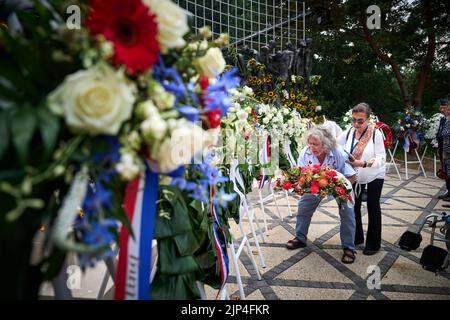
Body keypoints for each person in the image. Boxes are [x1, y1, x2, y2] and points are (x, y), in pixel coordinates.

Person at [287, 126, 357, 264]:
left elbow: (352, 176)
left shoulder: (337, 152)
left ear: (325, 144)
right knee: (303, 208)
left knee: (348, 212)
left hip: (339, 183)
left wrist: (341, 191)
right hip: (314, 185)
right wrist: (299, 186)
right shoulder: (305, 153)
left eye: (316, 144)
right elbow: (302, 176)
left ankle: (349, 248)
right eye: (310, 143)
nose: (312, 147)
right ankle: (300, 239)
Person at [337, 103, 386, 255]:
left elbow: (382, 157)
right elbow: (334, 146)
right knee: (353, 205)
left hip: (374, 174)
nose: (356, 124)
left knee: (373, 206)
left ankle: (373, 244)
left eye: (360, 121)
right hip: (355, 175)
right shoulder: (349, 132)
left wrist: (363, 163)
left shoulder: (376, 133)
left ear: (368, 120)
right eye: (354, 120)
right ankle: (356, 237)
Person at [437, 99, 450, 201]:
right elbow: (440, 133)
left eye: (444, 108)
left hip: (448, 148)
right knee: (445, 170)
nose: (442, 110)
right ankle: (448, 190)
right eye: (441, 108)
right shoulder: (443, 119)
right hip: (443, 147)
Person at [440, 102, 450, 205]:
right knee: (448, 173)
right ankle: (448, 191)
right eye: (447, 109)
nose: (447, 111)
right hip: (446, 150)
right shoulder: (447, 120)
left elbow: (446, 133)